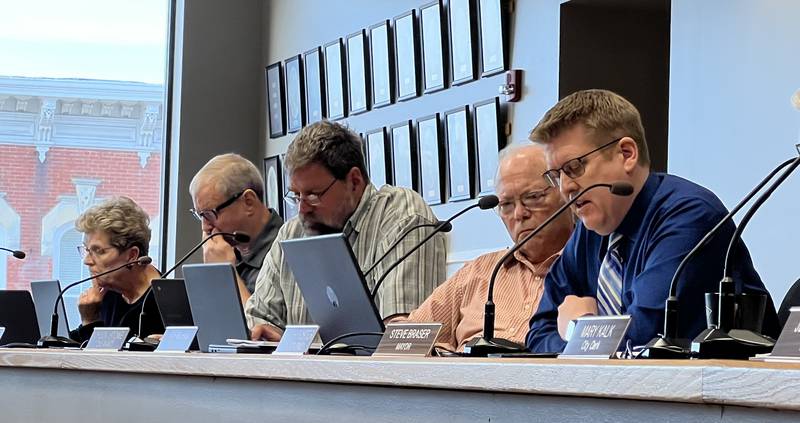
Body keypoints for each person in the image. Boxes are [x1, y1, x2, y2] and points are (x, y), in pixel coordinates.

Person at [526, 89, 780, 352]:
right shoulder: (591, 228)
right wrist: (583, 340)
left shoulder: (689, 216)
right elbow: (537, 336)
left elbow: (643, 337)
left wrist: (578, 327)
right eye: (556, 176)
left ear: (626, 154)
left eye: (574, 167)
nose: (565, 187)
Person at [245, 120, 447, 341]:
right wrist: (267, 339)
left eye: (313, 195)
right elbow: (258, 321)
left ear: (354, 181)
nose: (302, 209)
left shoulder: (403, 218)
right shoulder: (291, 234)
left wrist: (300, 349)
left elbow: (401, 341)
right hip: (297, 374)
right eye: (295, 195)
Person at [406, 144, 574, 352]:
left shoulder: (591, 266)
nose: (519, 214)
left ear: (565, 192)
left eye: (533, 197)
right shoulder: (478, 272)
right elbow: (407, 340)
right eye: (506, 204)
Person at [190, 153, 284, 303]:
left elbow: (261, 326)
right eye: (200, 215)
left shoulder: (285, 252)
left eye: (210, 214)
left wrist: (226, 274)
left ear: (248, 202)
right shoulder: (225, 251)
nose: (205, 227)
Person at [70, 197, 164, 342]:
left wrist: (90, 322)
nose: (87, 261)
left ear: (132, 255)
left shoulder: (163, 303)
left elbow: (104, 361)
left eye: (99, 251)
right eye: (87, 250)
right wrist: (88, 318)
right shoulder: (108, 292)